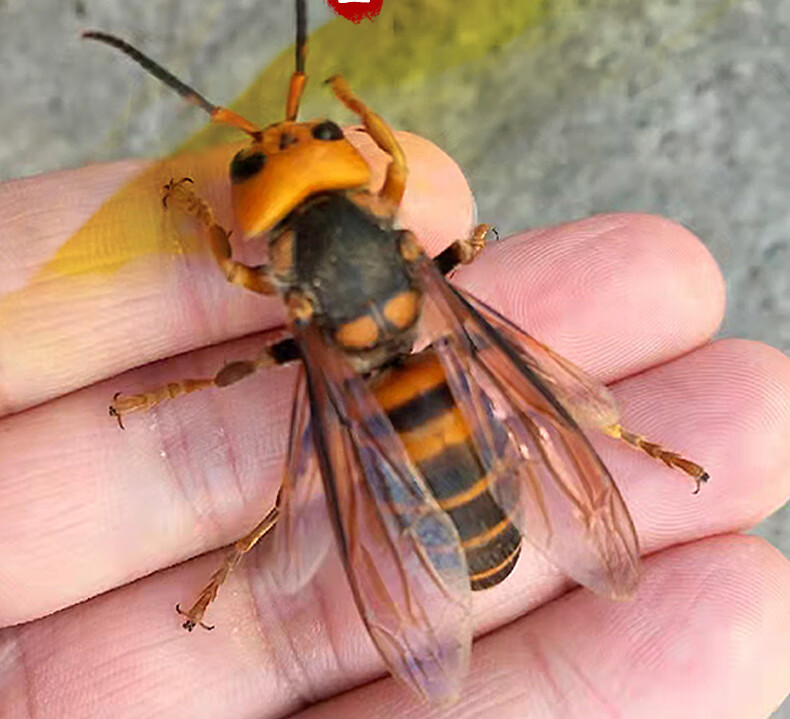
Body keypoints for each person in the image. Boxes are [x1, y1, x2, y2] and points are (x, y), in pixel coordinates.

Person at [0, 133, 788, 717]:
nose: (289, 140)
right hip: (427, 377)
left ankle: (248, 547)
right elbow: (394, 174)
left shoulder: (293, 287)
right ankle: (627, 441)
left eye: (318, 132)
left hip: (388, 398)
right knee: (510, 383)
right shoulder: (395, 232)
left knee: (333, 452)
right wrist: (359, 119)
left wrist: (211, 221)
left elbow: (239, 272)